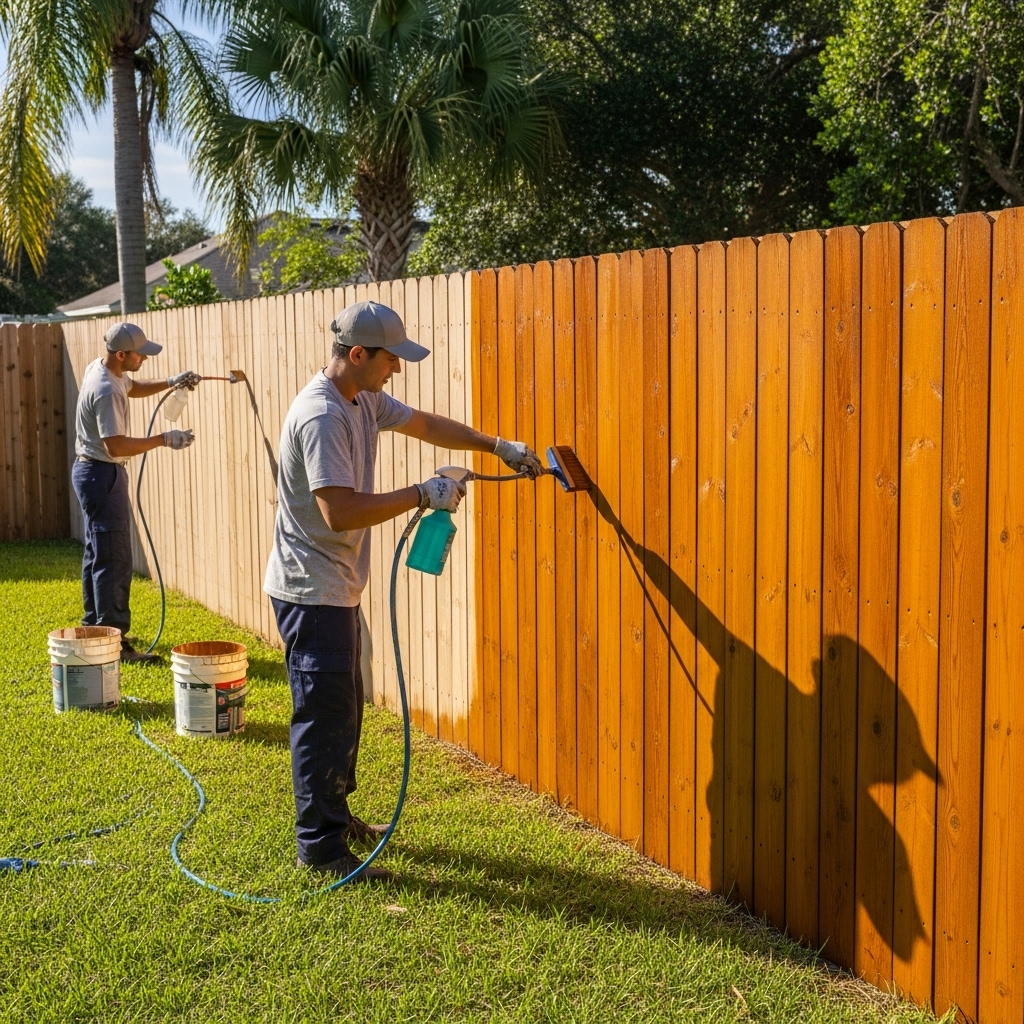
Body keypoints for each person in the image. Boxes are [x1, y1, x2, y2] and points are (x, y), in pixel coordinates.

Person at [265, 300, 542, 882]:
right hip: (309, 590)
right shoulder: (321, 416)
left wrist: (497, 446)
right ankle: (320, 848)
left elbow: (424, 424)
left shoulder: (362, 398)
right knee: (323, 713)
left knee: (345, 706)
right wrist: (422, 493)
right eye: (391, 359)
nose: (398, 369)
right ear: (358, 354)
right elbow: (338, 511)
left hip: (336, 586)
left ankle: (335, 816)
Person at [72, 322, 200, 664]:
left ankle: (95, 628)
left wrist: (171, 382)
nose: (144, 357)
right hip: (102, 475)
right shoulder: (104, 389)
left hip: (93, 473)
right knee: (114, 558)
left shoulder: (102, 370)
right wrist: (164, 439)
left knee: (98, 553)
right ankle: (113, 641)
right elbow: (115, 444)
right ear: (120, 355)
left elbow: (133, 387)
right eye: (139, 354)